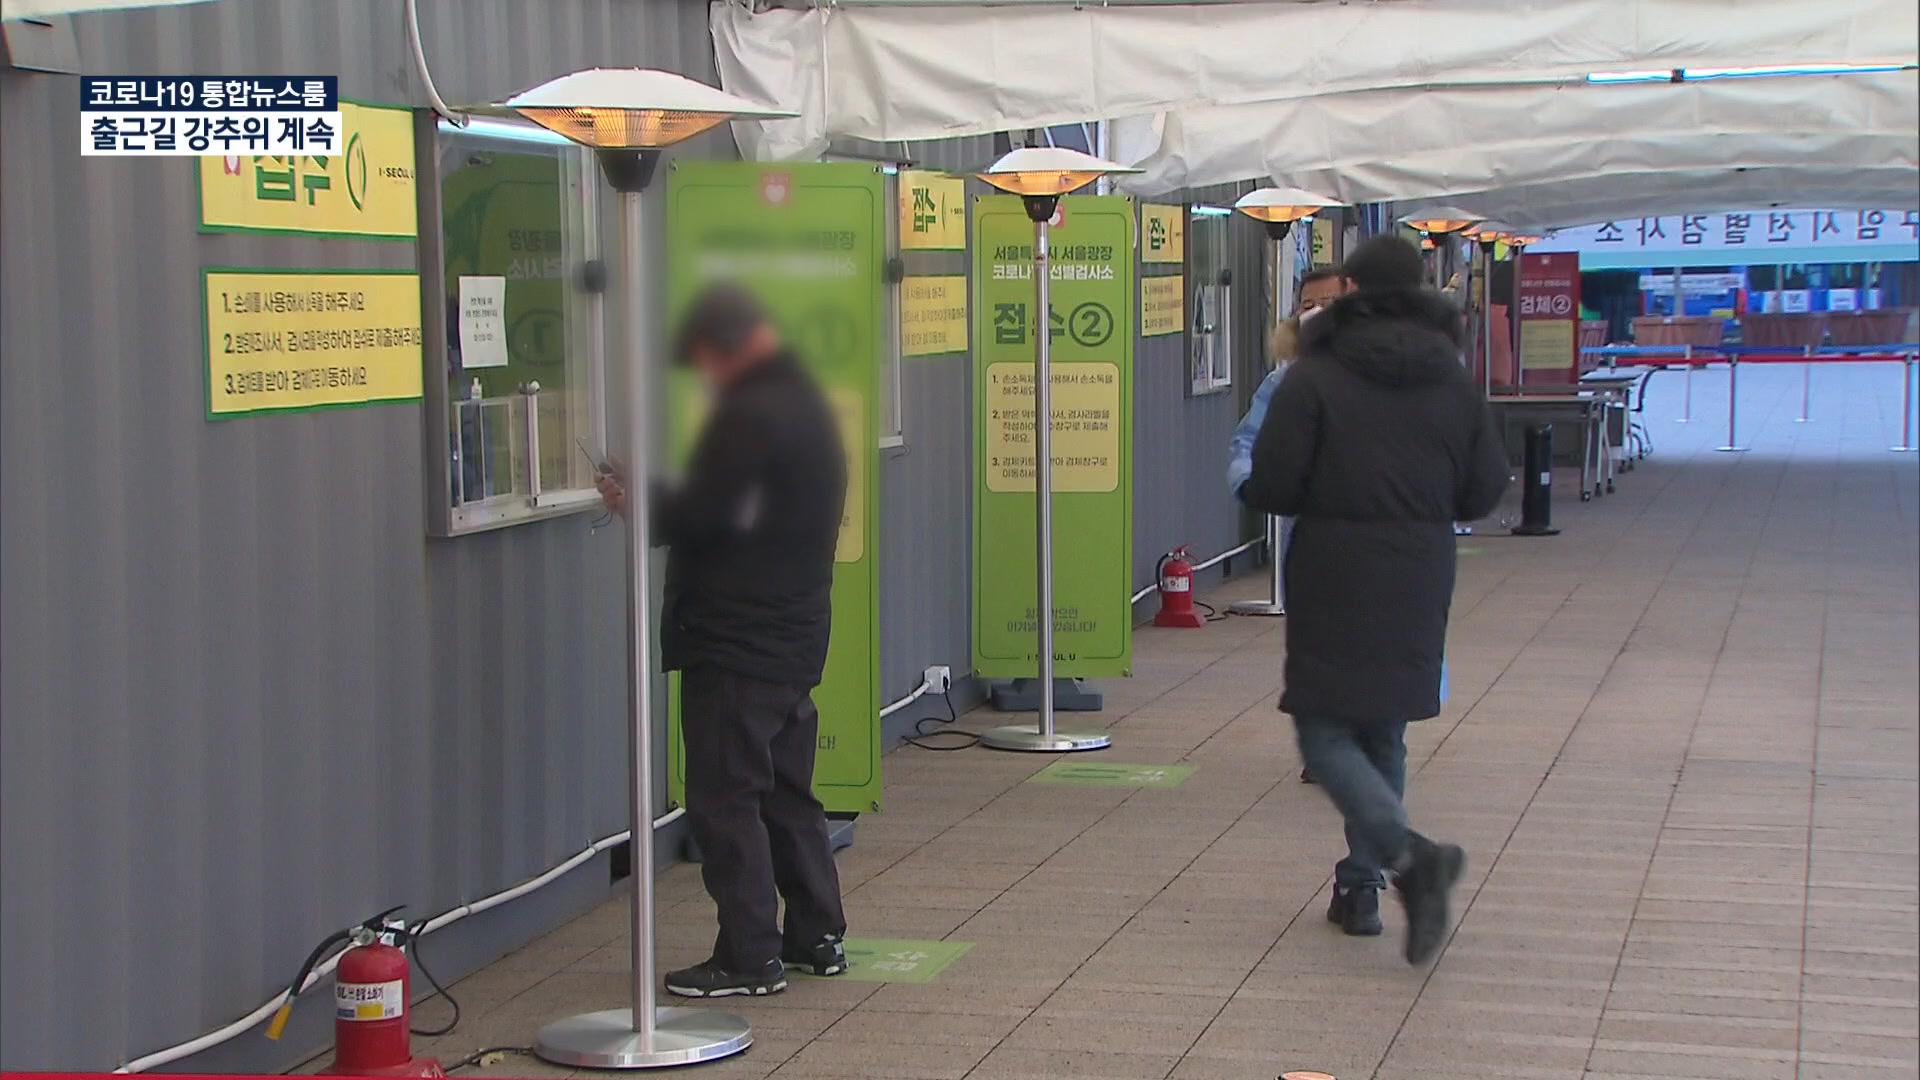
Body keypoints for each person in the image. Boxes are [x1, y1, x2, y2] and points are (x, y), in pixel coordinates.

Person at [1241, 235, 1509, 965]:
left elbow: (1271, 483)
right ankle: (1361, 885)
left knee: (1325, 730)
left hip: (1332, 564)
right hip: (1420, 566)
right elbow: (1486, 487)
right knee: (1384, 727)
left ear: (1352, 287)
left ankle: (1405, 858)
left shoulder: (1316, 375)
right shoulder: (1452, 380)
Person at [595, 282, 850, 998]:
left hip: (738, 638)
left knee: (725, 797)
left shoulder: (750, 414)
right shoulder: (806, 404)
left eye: (704, 360)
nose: (704, 375)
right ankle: (816, 932)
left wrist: (636, 501)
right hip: (793, 634)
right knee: (787, 791)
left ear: (722, 349)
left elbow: (709, 514)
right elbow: (748, 512)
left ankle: (748, 954)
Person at [1228, 267, 1347, 785]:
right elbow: (1246, 447)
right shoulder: (1282, 383)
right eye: (1307, 303)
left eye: (1328, 302)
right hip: (1311, 538)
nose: (1315, 312)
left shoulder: (1389, 377)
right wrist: (1256, 487)